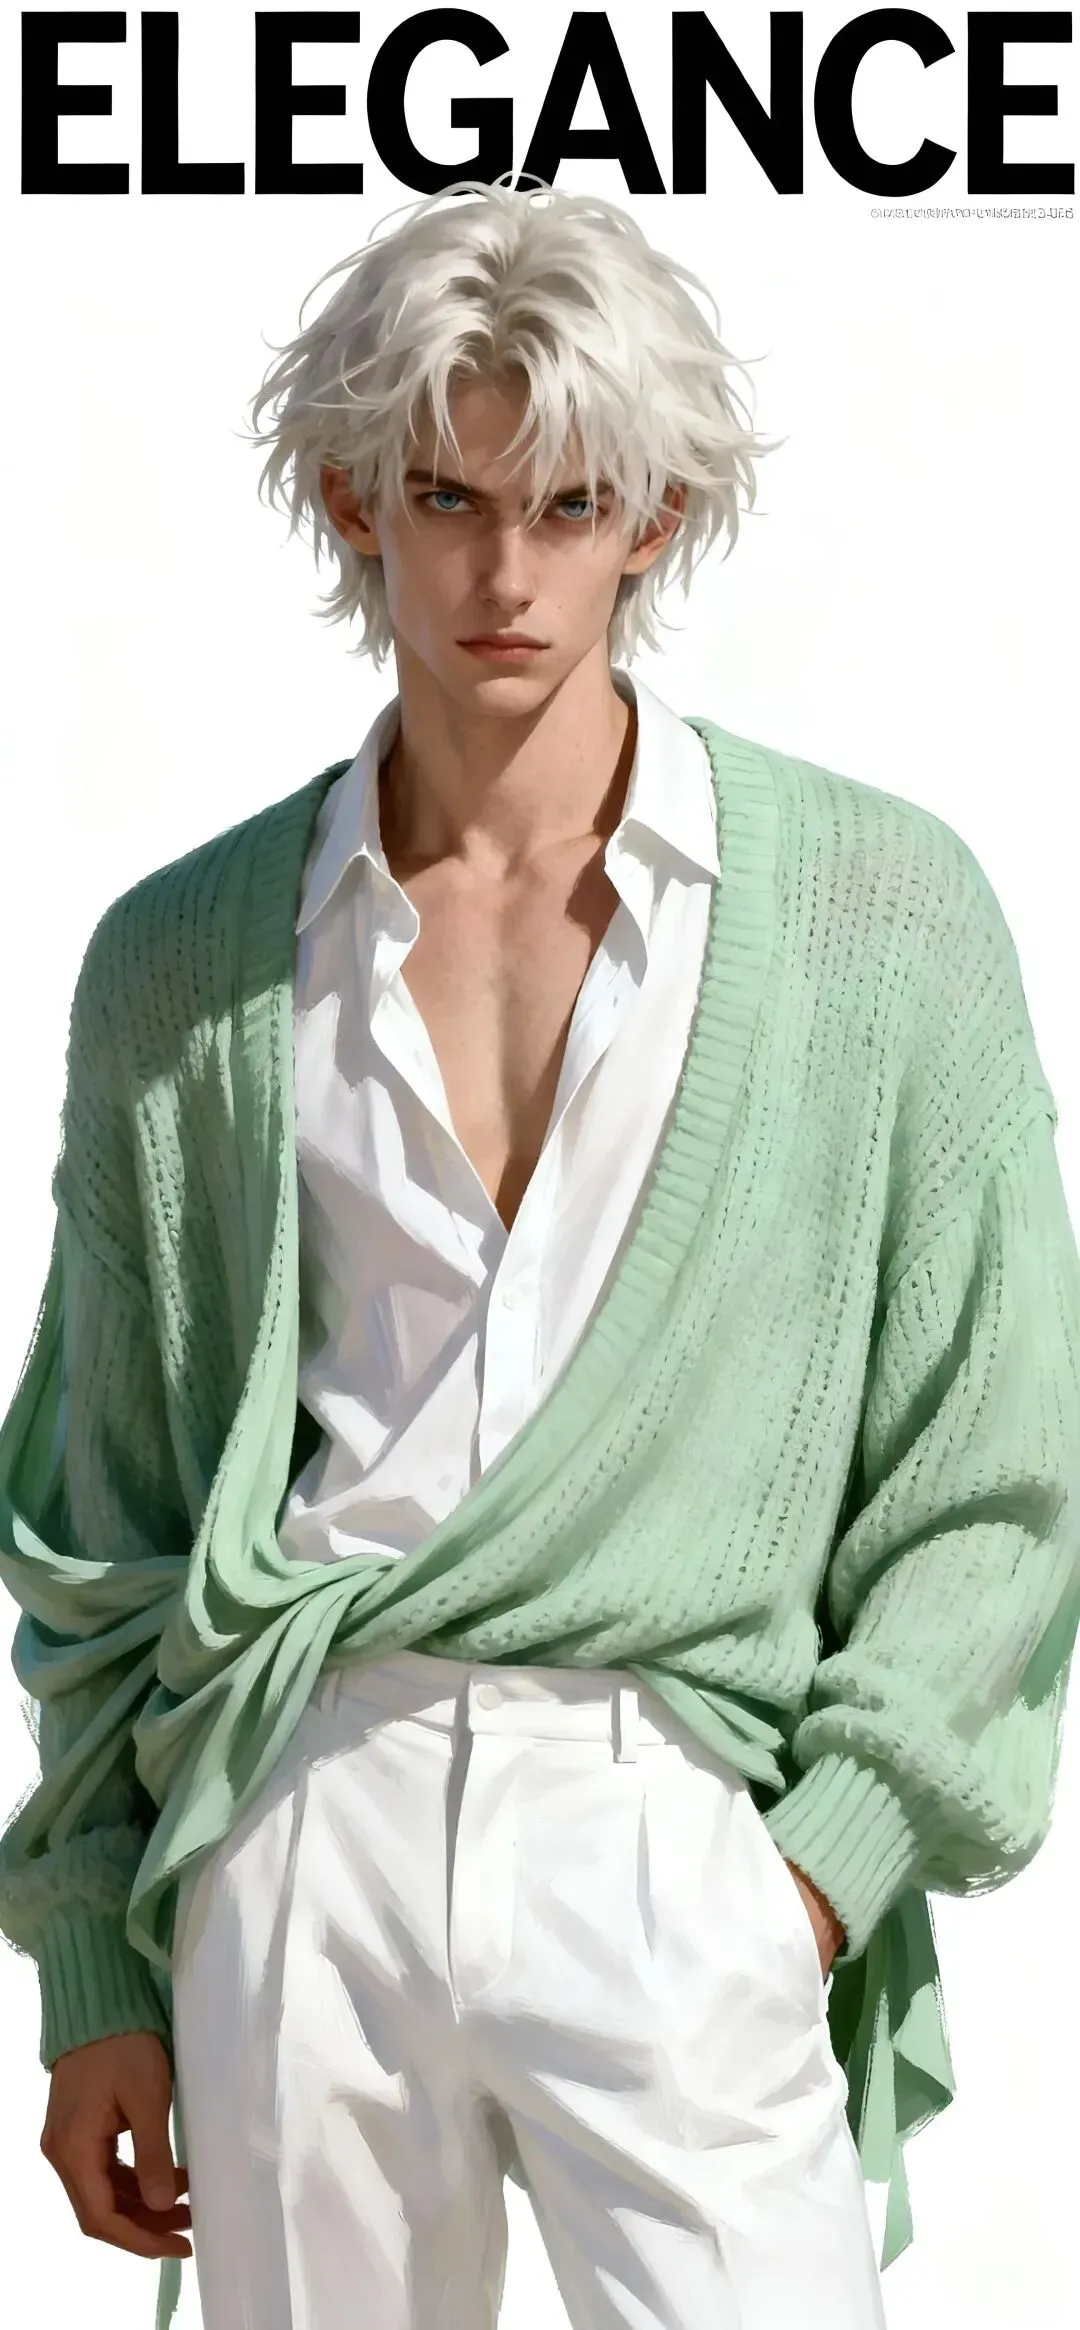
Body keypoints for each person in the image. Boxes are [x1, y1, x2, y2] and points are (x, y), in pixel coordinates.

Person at [1, 174, 1079, 2330]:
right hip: (308, 1809)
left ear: (654, 514)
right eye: (447, 498)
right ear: (352, 501)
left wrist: (814, 1873)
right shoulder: (187, 962)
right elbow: (106, 1506)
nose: (507, 572)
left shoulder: (882, 917)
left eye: (571, 503)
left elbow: (998, 1465)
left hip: (673, 1823)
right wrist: (100, 1950)